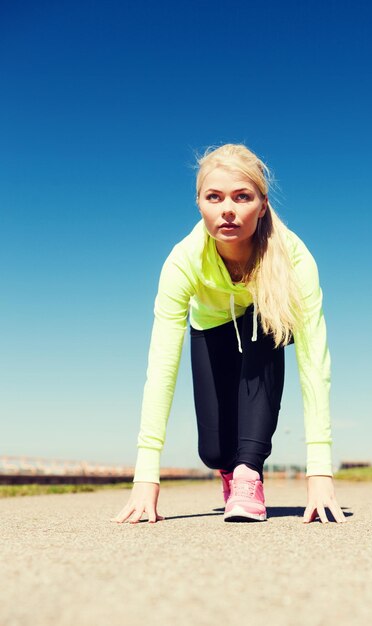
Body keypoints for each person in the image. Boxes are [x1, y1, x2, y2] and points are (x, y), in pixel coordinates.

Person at [111, 143, 346, 525]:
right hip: (211, 326)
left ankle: (247, 475)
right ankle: (229, 468)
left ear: (263, 203)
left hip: (264, 322)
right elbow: (161, 369)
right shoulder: (183, 260)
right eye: (214, 197)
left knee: (268, 326)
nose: (228, 209)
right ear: (199, 203)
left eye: (242, 197)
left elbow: (314, 362)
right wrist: (145, 477)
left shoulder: (293, 257)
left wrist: (320, 472)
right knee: (215, 450)